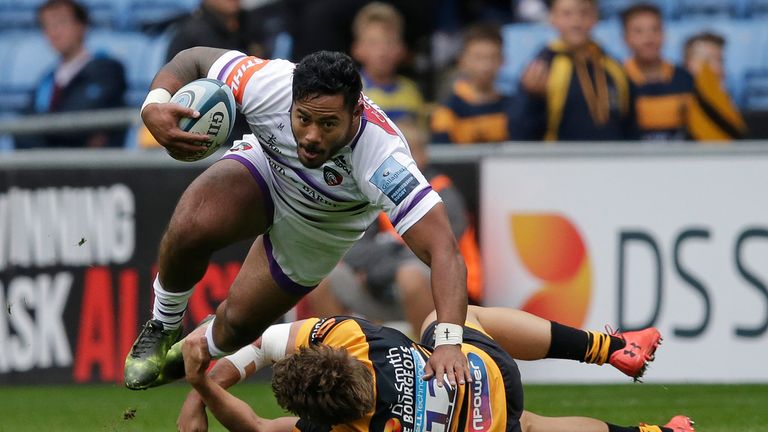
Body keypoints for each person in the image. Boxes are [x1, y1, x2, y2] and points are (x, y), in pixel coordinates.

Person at [124, 48, 470, 391]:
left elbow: (444, 250)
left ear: (356, 113)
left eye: (328, 123)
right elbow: (193, 59)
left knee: (238, 325)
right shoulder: (268, 84)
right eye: (303, 118)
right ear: (290, 101)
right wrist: (153, 104)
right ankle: (162, 324)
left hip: (320, 227)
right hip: (269, 171)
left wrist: (449, 343)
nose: (312, 136)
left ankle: (195, 349)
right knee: (192, 224)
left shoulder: (383, 159)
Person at [173, 306, 689, 432]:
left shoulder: (351, 426)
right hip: (488, 373)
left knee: (528, 426)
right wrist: (199, 378)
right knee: (445, 319)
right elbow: (262, 344)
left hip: (482, 422)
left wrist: (201, 389)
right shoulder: (349, 336)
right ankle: (608, 347)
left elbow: (256, 427)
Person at [305, 120, 483, 335]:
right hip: (381, 286)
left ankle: (428, 353)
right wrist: (386, 261)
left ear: (424, 155)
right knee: (324, 278)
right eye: (397, 150)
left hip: (443, 292)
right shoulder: (375, 189)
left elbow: (438, 251)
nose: (402, 158)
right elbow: (353, 249)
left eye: (409, 151)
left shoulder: (442, 190)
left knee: (409, 276)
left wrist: (381, 265)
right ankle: (342, 359)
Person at [511, 0, 637, 142]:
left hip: (611, 160)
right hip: (559, 161)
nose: (576, 22)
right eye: (567, 14)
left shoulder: (613, 67)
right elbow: (521, 132)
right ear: (552, 18)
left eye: (584, 13)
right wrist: (533, 99)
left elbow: (630, 125)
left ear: (595, 17)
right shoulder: (540, 67)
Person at [19, 0, 127, 149]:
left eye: (61, 23)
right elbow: (23, 131)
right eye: (46, 26)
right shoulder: (46, 80)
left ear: (81, 26)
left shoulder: (107, 70)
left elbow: (79, 123)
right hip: (51, 166)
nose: (53, 32)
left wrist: (45, 133)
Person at [620, 3, 695, 141]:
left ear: (664, 34)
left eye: (655, 29)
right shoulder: (616, 80)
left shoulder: (685, 79)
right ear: (625, 38)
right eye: (638, 31)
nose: (649, 38)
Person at [430, 23, 514, 144]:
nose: (486, 66)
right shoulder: (447, 111)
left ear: (503, 60)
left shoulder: (514, 107)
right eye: (478, 57)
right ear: (462, 61)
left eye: (493, 57)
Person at [350, 2, 426, 123]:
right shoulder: (351, 91)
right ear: (357, 49)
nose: (382, 51)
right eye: (373, 43)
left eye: (389, 42)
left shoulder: (411, 91)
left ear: (402, 49)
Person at [682, 32, 747, 141]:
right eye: (707, 61)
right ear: (689, 64)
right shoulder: (677, 105)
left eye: (720, 60)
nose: (719, 68)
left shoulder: (728, 104)